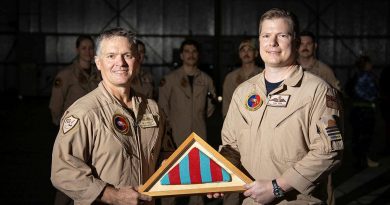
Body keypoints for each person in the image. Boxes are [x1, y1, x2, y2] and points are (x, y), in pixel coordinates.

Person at [218, 8, 344, 204]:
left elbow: (328, 152)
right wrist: (219, 177)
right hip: (250, 200)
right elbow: (230, 146)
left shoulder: (318, 91)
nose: (272, 43)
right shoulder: (243, 92)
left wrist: (278, 187)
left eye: (282, 35)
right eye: (266, 35)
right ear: (259, 40)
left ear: (295, 41)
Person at [51, 27, 172, 205]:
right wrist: (112, 195)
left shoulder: (152, 109)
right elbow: (63, 171)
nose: (120, 62)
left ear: (137, 60)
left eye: (127, 55)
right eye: (111, 56)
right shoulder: (85, 112)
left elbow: (165, 154)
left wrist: (203, 180)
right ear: (98, 62)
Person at [158, 39, 216, 205]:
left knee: (198, 177)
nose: (191, 55)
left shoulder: (206, 80)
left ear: (198, 55)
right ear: (182, 55)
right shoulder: (169, 79)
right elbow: (162, 108)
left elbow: (210, 109)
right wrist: (168, 131)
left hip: (199, 135)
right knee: (171, 176)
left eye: (194, 51)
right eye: (187, 51)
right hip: (174, 136)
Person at [49, 35, 101, 126]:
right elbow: (56, 103)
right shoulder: (66, 75)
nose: (88, 52)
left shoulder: (99, 74)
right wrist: (61, 125)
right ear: (77, 50)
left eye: (91, 48)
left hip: (94, 123)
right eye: (84, 48)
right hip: (73, 125)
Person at [348, 55, 380, 168]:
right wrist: (374, 97)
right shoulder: (366, 76)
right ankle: (364, 159)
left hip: (357, 109)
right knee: (365, 136)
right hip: (365, 110)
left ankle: (359, 160)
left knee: (357, 136)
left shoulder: (356, 76)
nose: (371, 65)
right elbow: (370, 92)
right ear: (365, 65)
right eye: (369, 63)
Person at [222, 38, 263, 118]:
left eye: (249, 50)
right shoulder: (231, 78)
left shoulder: (263, 75)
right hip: (237, 120)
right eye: (243, 50)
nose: (246, 53)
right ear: (239, 54)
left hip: (258, 119)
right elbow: (226, 102)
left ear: (256, 53)